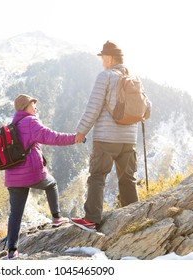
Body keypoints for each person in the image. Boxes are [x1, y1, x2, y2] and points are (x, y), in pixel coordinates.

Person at [71, 41, 151, 232]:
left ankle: (91, 219)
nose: (102, 62)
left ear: (110, 58)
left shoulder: (105, 76)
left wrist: (81, 131)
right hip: (129, 139)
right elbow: (147, 109)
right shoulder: (134, 77)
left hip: (106, 138)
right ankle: (133, 219)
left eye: (103, 58)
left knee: (97, 177)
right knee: (127, 178)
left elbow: (94, 106)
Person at [5, 94, 77, 259]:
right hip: (31, 174)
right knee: (51, 184)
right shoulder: (30, 122)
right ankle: (57, 217)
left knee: (15, 214)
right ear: (25, 107)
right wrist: (74, 138)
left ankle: (11, 252)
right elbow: (53, 137)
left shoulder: (12, 125)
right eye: (33, 104)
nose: (35, 107)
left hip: (13, 177)